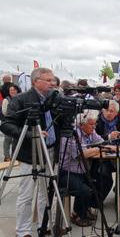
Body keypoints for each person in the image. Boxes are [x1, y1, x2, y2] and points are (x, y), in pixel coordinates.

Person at [0, 68, 59, 237]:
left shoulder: (53, 98)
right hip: (29, 154)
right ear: (36, 81)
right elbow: (6, 125)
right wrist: (30, 134)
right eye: (47, 80)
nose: (51, 83)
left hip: (50, 150)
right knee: (26, 195)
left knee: (45, 193)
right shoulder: (20, 100)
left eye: (52, 80)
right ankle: (23, 231)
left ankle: (44, 224)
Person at [58, 110, 112, 227]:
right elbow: (81, 154)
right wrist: (99, 149)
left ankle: (87, 207)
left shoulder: (91, 132)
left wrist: (105, 146)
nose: (94, 127)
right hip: (68, 173)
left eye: (95, 124)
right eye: (91, 124)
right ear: (81, 125)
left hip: (84, 171)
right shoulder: (71, 135)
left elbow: (101, 142)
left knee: (105, 181)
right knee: (85, 190)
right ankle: (77, 214)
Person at [2, 84, 22, 161]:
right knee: (8, 139)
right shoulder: (6, 100)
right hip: (8, 122)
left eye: (14, 90)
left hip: (18, 123)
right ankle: (7, 156)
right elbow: (4, 112)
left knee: (16, 139)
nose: (12, 91)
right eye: (11, 90)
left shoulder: (20, 98)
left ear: (17, 90)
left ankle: (15, 155)